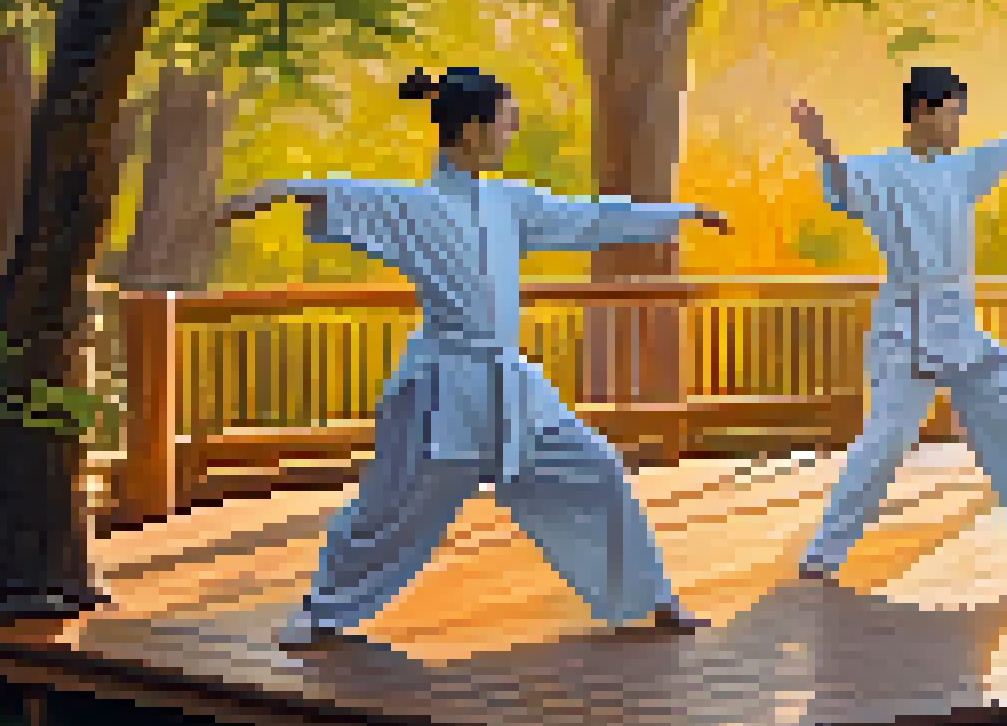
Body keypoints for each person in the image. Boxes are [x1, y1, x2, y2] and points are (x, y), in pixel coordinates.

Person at [217, 68, 731, 651]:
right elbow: (331, 191)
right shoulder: (417, 205)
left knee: (596, 472)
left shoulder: (509, 203)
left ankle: (651, 600)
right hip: (442, 389)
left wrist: (680, 215)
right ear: (469, 130)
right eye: (505, 122)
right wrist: (266, 194)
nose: (511, 134)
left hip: (511, 387)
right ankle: (321, 610)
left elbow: (591, 218)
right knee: (393, 507)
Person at [789, 68, 1007, 582]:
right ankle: (822, 555)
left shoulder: (963, 168)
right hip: (909, 332)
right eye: (951, 112)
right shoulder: (884, 172)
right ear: (922, 113)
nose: (958, 123)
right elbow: (844, 185)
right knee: (885, 442)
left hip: (962, 332)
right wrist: (823, 149)